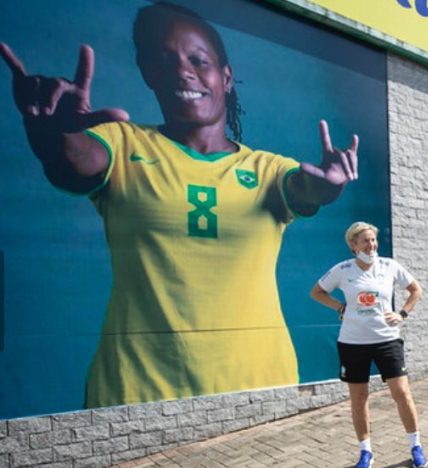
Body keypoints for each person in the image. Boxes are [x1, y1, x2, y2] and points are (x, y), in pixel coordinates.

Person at [0, 2, 359, 408]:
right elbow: (72, 162)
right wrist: (53, 132)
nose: (181, 70)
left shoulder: (267, 170)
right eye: (164, 60)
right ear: (149, 73)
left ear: (225, 78)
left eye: (197, 60)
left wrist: (330, 187)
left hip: (260, 385)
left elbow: (305, 190)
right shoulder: (123, 144)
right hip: (135, 393)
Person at [310, 222, 426, 468]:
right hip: (353, 343)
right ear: (353, 245)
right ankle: (365, 451)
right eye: (365, 241)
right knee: (359, 398)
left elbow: (416, 290)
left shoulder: (389, 266)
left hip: (387, 340)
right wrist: (340, 307)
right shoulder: (343, 270)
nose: (371, 245)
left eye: (373, 240)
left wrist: (402, 314)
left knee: (402, 393)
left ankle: (415, 446)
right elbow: (317, 292)